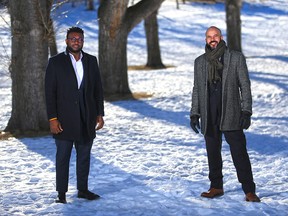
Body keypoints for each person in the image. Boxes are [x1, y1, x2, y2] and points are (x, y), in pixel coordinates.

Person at [190, 26, 260, 202]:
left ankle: (249, 190)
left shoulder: (235, 58)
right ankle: (216, 187)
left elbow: (245, 85)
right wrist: (194, 113)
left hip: (231, 112)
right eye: (209, 37)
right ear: (205, 40)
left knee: (239, 153)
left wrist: (246, 111)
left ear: (221, 37)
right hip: (208, 113)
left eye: (215, 36)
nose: (212, 39)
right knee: (213, 152)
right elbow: (197, 89)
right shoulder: (200, 62)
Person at [45, 26, 104, 204]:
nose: (76, 41)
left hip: (87, 118)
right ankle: (61, 193)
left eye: (79, 39)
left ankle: (83, 190)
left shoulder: (92, 61)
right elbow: (50, 92)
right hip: (64, 120)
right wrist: (53, 118)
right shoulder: (55, 62)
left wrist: (99, 114)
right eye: (73, 38)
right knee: (63, 157)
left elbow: (97, 89)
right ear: (66, 41)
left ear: (83, 41)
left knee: (84, 156)